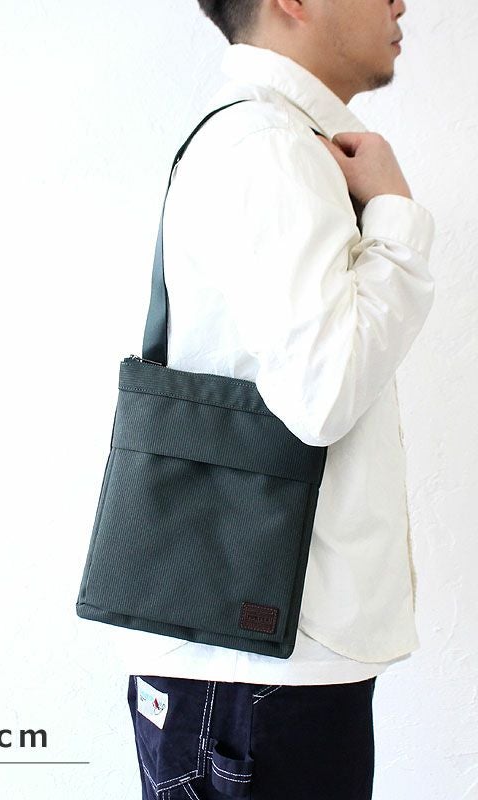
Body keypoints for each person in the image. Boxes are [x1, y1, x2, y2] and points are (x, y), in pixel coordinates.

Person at [121, 1, 435, 798]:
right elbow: (324, 393)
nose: (400, 3)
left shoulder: (271, 141)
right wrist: (396, 219)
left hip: (248, 665)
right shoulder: (268, 146)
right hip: (258, 679)